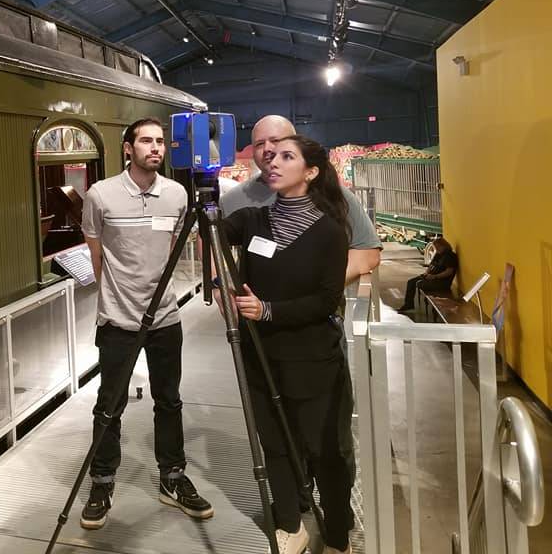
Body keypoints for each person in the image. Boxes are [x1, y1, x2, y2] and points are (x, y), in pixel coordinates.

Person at [218, 135, 355, 554]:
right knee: (275, 442)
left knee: (324, 449)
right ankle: (291, 525)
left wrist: (268, 311)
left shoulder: (329, 230)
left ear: (310, 172)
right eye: (271, 157)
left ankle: (335, 534)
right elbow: (211, 228)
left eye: (286, 157)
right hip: (261, 355)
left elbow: (325, 299)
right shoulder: (253, 220)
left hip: (312, 358)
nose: (272, 163)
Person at [78, 117, 213, 529]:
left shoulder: (175, 194)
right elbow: (97, 255)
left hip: (166, 319)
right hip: (118, 320)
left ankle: (171, 477)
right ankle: (102, 481)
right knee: (109, 405)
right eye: (147, 141)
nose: (156, 148)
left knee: (169, 400)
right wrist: (118, 297)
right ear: (127, 148)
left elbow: (169, 251)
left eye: (161, 142)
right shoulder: (100, 195)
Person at [220, 115, 381, 285]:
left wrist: (318, 286)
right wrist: (218, 284)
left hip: (317, 308)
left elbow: (367, 252)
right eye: (259, 144)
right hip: (251, 308)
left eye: (276, 141)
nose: (268, 148)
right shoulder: (232, 200)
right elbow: (208, 236)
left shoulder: (334, 196)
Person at [398, 237, 458, 311]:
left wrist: (434, 276)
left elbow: (449, 272)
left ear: (443, 246)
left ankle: (413, 304)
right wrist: (426, 273)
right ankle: (409, 304)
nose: (436, 249)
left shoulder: (450, 256)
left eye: (438, 247)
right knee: (411, 282)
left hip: (441, 282)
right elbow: (431, 265)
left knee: (419, 284)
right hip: (431, 277)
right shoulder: (439, 254)